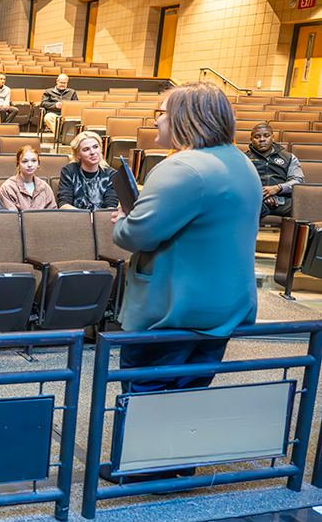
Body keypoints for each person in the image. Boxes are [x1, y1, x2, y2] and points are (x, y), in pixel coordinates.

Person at [111, 81, 259, 398]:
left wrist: (124, 218)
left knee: (145, 403)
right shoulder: (242, 162)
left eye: (161, 112)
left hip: (173, 315)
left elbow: (137, 236)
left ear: (186, 117)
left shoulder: (181, 167)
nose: (155, 119)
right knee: (187, 403)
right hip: (222, 311)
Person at [245, 122, 303, 218]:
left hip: (282, 201)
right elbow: (238, 183)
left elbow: (298, 181)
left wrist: (278, 188)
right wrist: (260, 196)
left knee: (304, 205)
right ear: (251, 140)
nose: (262, 139)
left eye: (266, 136)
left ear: (273, 137)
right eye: (257, 137)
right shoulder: (243, 158)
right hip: (254, 201)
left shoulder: (289, 157)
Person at [57, 132, 118, 210]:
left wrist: (96, 219)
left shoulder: (111, 174)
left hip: (101, 220)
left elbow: (111, 206)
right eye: (86, 149)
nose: (93, 152)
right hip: (75, 219)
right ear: (78, 155)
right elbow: (64, 204)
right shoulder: (69, 171)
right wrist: (86, 218)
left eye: (95, 147)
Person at [0, 145, 57, 211]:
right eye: (25, 161)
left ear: (38, 163)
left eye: (34, 161)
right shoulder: (7, 188)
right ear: (18, 164)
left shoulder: (45, 188)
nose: (30, 165)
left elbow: (52, 215)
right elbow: (11, 218)